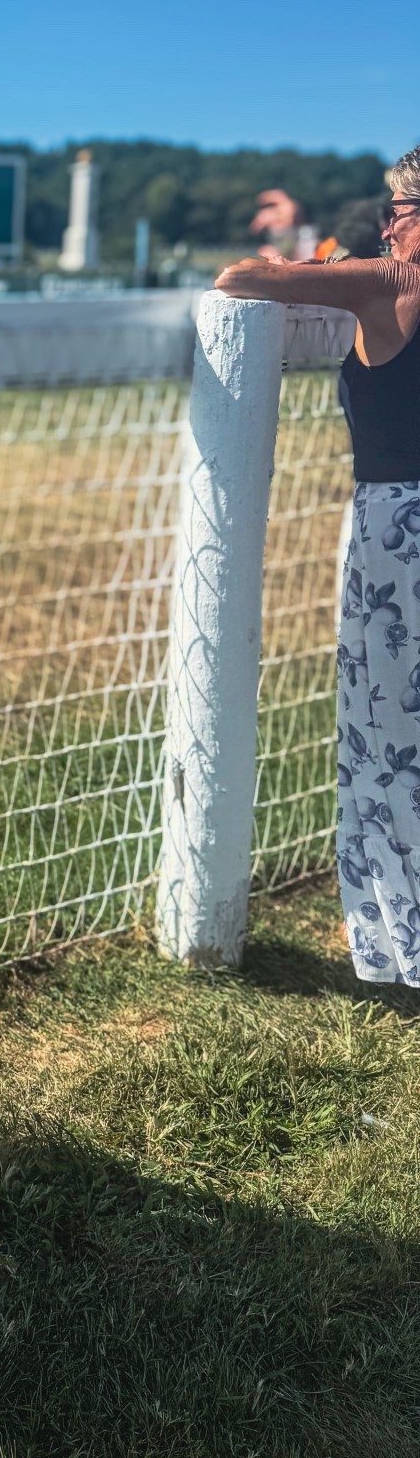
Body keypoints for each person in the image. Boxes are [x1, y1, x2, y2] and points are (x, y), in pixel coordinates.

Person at [216, 145, 420, 990]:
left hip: (398, 531)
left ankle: (400, 934)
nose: (389, 226)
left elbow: (240, 278)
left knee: (391, 735)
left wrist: (339, 259)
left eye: (400, 212)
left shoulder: (389, 282)